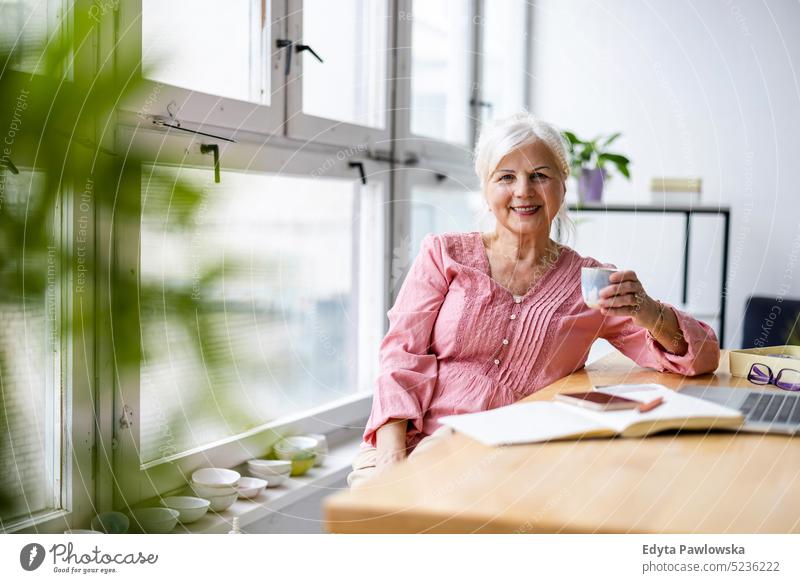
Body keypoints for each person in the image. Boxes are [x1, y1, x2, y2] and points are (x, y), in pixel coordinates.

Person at [347, 112, 720, 488]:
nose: (523, 190)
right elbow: (401, 356)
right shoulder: (443, 255)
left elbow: (701, 358)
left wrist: (647, 310)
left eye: (539, 175)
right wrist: (392, 463)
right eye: (506, 177)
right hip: (405, 446)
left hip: (509, 463)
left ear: (563, 184)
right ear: (486, 187)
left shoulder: (591, 284)